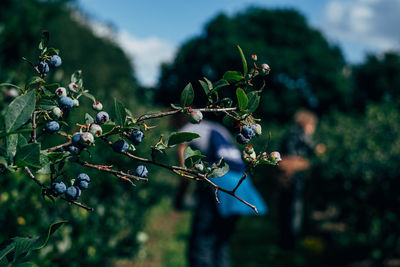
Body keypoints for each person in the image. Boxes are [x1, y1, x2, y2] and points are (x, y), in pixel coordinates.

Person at [174, 119, 267, 267]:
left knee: (202, 243)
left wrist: (179, 198)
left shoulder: (186, 129)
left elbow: (184, 170)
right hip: (241, 184)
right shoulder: (220, 129)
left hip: (217, 184)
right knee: (222, 241)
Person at [277, 109, 318, 250]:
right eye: (313, 126)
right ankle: (291, 244)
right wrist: (307, 162)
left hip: (287, 180)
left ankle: (285, 242)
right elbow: (290, 161)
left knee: (286, 210)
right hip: (293, 180)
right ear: (306, 124)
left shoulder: (289, 135)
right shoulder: (299, 136)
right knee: (294, 211)